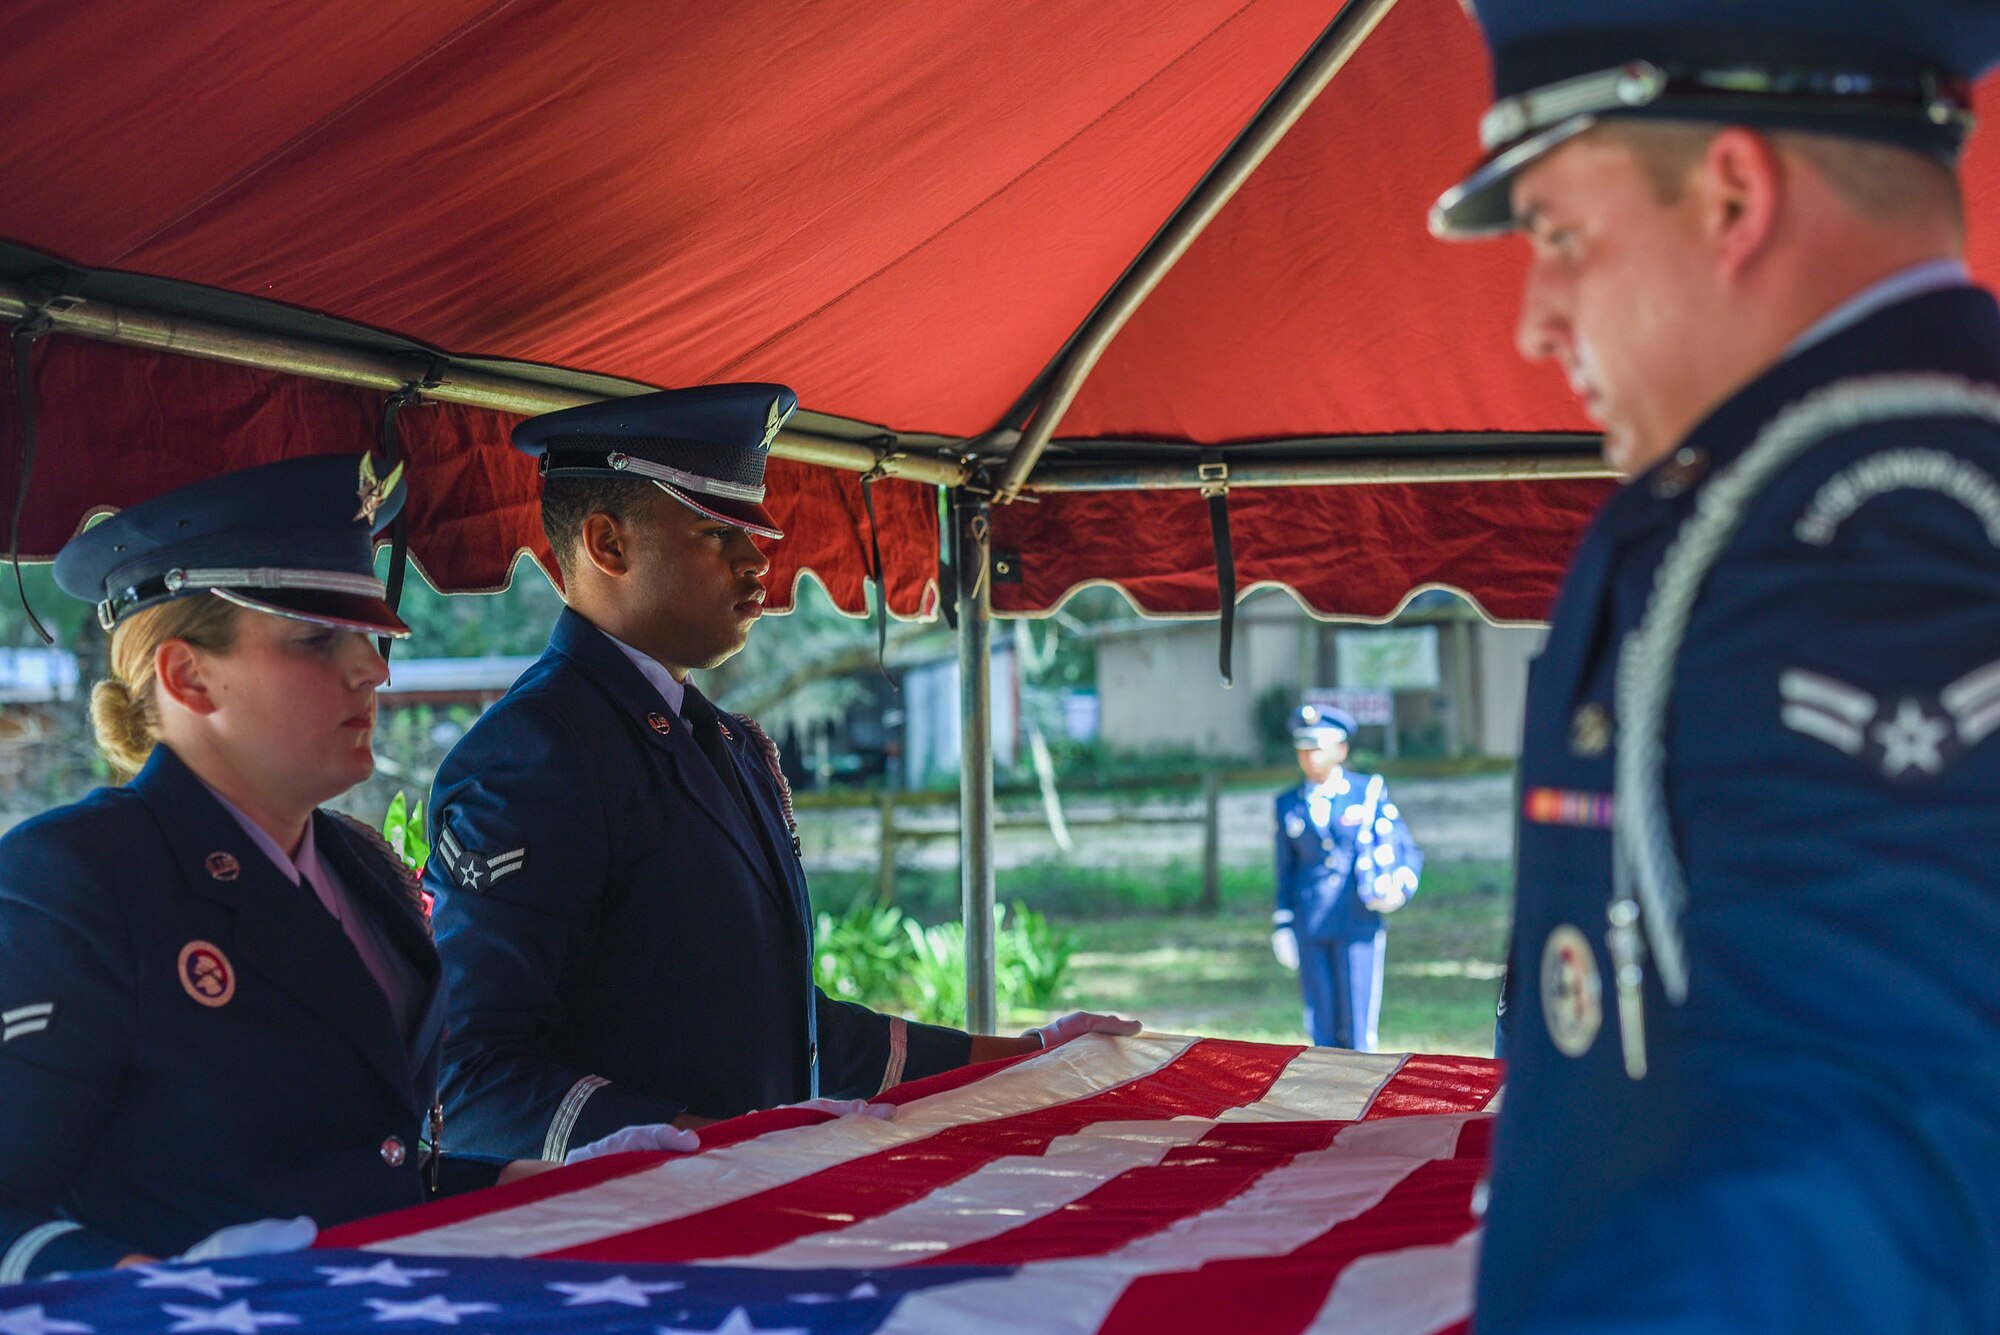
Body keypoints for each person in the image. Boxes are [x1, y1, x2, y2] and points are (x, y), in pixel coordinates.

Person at [1431, 3, 2000, 1330]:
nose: (1534, 317)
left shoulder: (1868, 521)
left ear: (1734, 192)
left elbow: (1885, 1178)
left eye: (1562, 235)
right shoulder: (1799, 485)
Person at [0, 456, 686, 1282]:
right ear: (189, 676)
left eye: (367, 634)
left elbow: (373, 1159)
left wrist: (519, 1176)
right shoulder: (76, 876)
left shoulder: (358, 867)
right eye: (317, 637)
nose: (372, 668)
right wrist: (144, 1285)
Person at [426, 384, 1138, 1158]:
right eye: (714, 532)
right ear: (609, 545)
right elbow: (471, 1073)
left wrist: (1033, 1053)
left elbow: (789, 1029)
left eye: (754, 533)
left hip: (736, 1216)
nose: (757, 561)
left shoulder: (722, 741)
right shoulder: (536, 751)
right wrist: (724, 1148)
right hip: (626, 1244)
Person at [1269, 705, 1421, 1051]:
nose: (1310, 756)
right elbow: (1285, 869)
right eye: (1303, 748)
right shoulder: (1287, 802)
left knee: (1358, 1027)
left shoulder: (1366, 793)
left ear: (1341, 750)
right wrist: (1283, 922)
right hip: (1311, 923)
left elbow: (1405, 851)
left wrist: (1400, 890)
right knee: (1321, 1027)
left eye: (1318, 746)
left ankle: (1361, 1100)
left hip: (1357, 921)